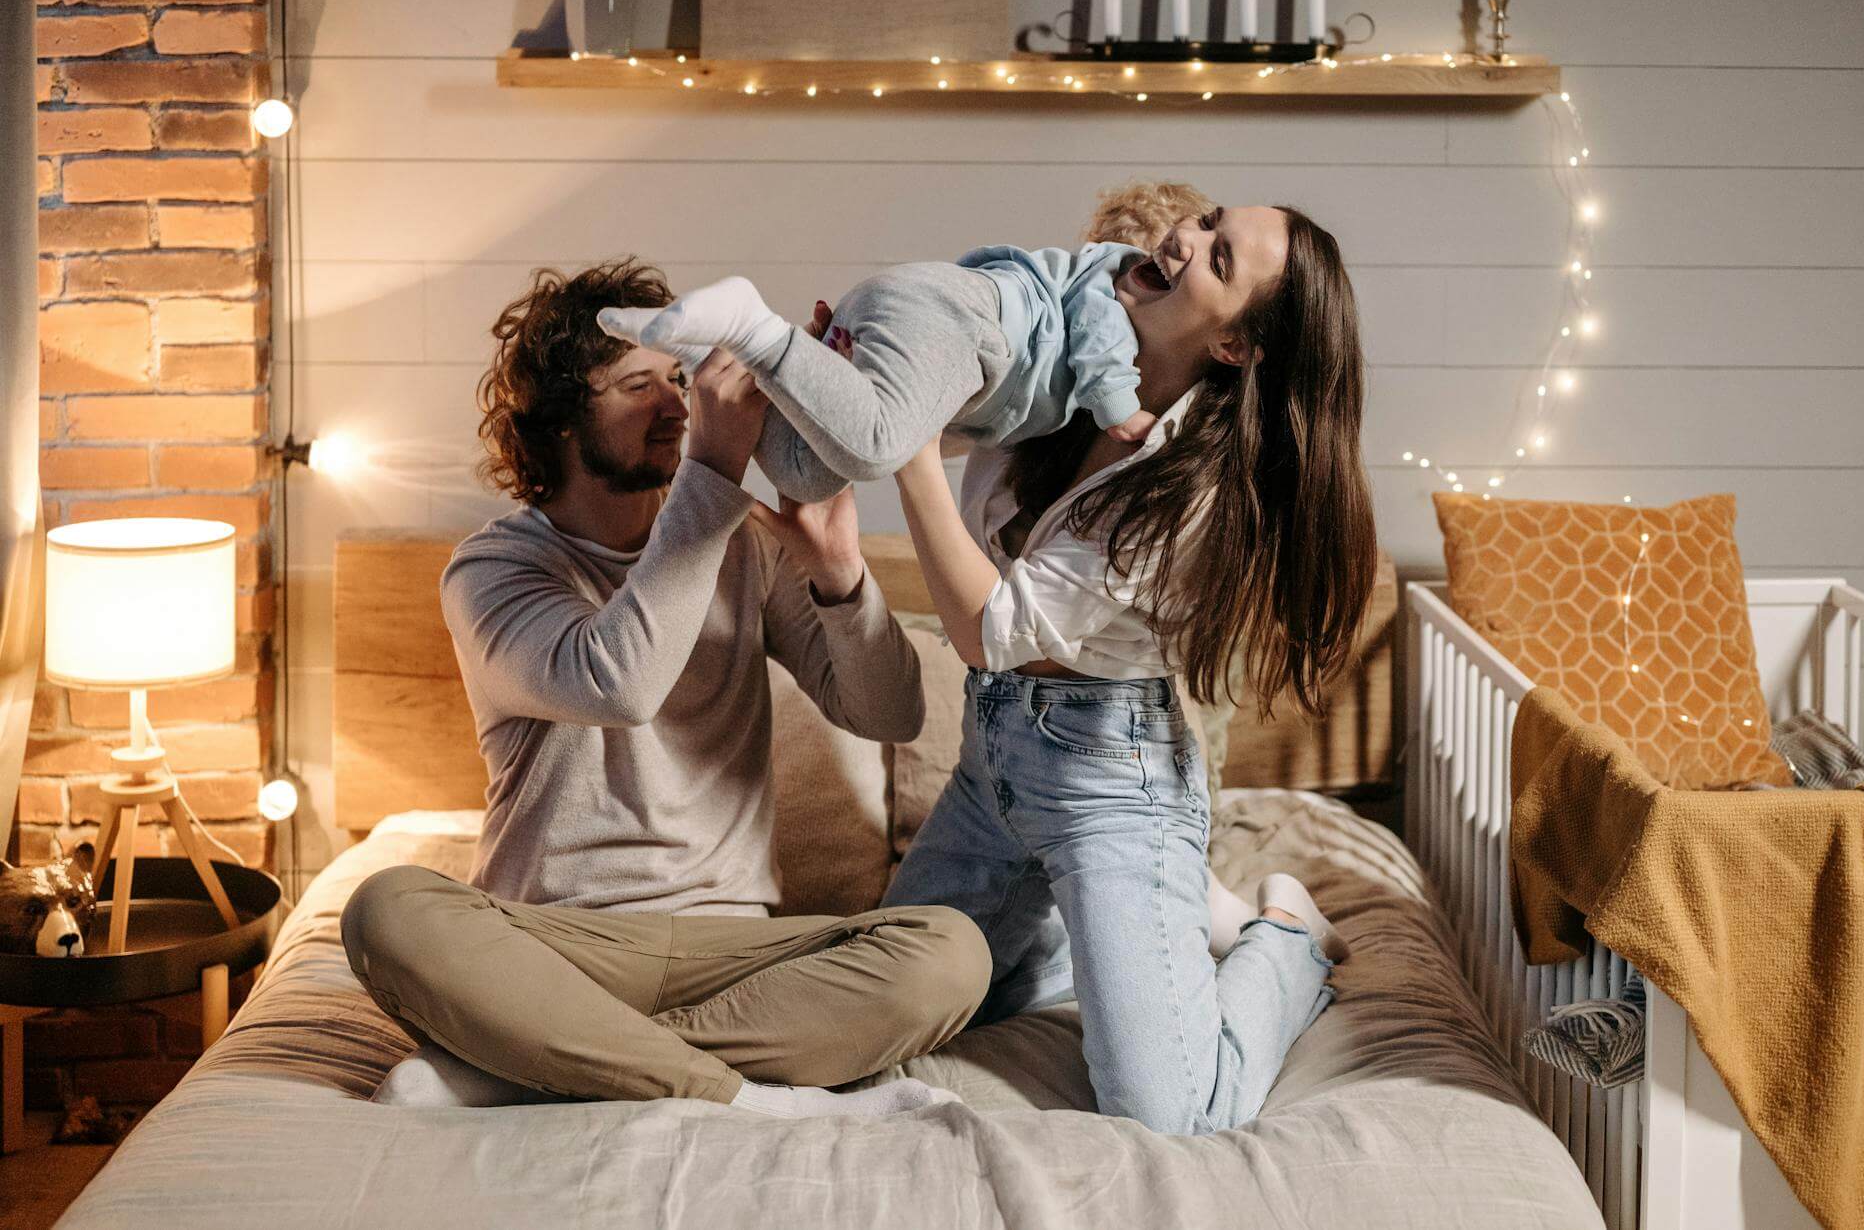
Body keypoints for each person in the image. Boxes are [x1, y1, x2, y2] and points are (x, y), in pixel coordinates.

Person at [339, 259, 990, 1120]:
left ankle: (534, 1062)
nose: (679, 405)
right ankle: (748, 1098)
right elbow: (620, 681)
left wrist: (839, 575)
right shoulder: (495, 568)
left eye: (680, 377)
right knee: (385, 909)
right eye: (638, 382)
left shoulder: (744, 545)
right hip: (557, 942)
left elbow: (889, 711)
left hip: (736, 945)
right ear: (563, 421)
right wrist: (713, 475)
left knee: (952, 954)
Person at [878, 203, 1376, 1136]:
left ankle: (1287, 939)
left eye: (1217, 257)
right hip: (996, 762)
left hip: (1111, 782)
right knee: (891, 1004)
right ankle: (1107, 939)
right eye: (1207, 218)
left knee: (1171, 1111)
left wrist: (904, 458)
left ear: (1235, 347)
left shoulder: (1197, 486)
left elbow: (1002, 630)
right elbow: (951, 412)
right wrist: (877, 365)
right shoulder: (1074, 342)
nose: (1182, 237)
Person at [603, 212, 1215, 505]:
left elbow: (957, 430)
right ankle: (751, 325)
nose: (1186, 239)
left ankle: (715, 349)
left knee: (807, 475)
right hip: (956, 317)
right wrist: (1120, 408)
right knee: (875, 447)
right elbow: (1096, 324)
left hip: (931, 333)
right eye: (1205, 222)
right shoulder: (1113, 276)